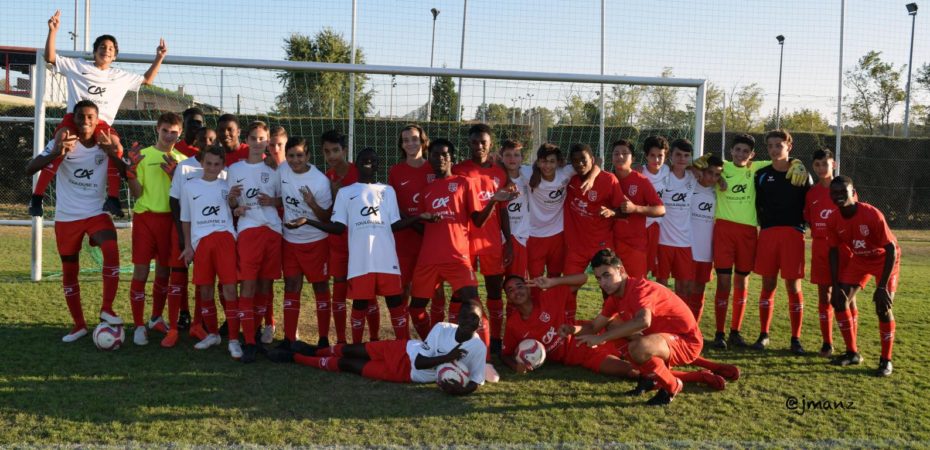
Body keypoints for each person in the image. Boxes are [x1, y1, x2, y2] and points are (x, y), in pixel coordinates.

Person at [31, 10, 167, 218]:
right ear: (95, 51)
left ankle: (112, 198)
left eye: (111, 48)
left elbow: (147, 80)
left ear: (115, 55)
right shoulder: (78, 66)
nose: (106, 50)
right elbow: (49, 57)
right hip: (75, 120)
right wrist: (53, 31)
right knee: (61, 144)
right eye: (102, 47)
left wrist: (159, 57)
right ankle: (37, 197)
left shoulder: (120, 76)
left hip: (101, 124)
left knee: (116, 147)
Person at [502, 275, 734, 391]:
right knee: (635, 372)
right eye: (510, 290)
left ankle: (712, 365)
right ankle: (699, 376)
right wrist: (516, 366)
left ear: (529, 288)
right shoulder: (513, 325)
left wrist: (552, 281)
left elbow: (582, 278)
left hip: (587, 331)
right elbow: (505, 354)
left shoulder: (548, 296)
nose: (516, 292)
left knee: (634, 340)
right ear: (508, 298)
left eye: (520, 286)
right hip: (582, 355)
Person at [292, 148, 428, 342]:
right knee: (360, 304)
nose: (369, 162)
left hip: (386, 260)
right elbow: (338, 227)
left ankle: (403, 346)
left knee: (395, 302)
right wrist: (308, 221)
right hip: (360, 261)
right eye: (364, 159)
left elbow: (395, 225)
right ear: (356, 163)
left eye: (373, 159)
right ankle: (355, 346)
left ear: (378, 165)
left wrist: (418, 217)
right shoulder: (346, 193)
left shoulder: (387, 191)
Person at [25, 100, 124, 342]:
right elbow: (30, 168)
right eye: (81, 117)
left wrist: (113, 153)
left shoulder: (105, 141)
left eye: (90, 117)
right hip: (67, 217)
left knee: (111, 249)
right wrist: (56, 152)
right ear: (74, 119)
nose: (86, 121)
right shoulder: (64, 140)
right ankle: (79, 325)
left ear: (98, 120)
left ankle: (107, 308)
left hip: (96, 212)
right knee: (70, 271)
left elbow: (124, 170)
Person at [408, 138, 515, 342]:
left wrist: (493, 201)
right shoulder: (426, 191)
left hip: (457, 257)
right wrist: (414, 219)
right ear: (429, 158)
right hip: (428, 260)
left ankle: (484, 354)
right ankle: (432, 345)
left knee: (473, 304)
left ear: (452, 158)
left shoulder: (464, 183)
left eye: (444, 154)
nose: (440, 158)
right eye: (435, 155)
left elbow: (478, 221)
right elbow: (422, 227)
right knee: (416, 309)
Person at [571, 249, 705, 406]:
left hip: (687, 341)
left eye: (607, 275)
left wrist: (601, 338)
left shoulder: (639, 289)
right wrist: (570, 329)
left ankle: (672, 385)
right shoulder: (615, 297)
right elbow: (595, 326)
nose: (603, 283)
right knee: (612, 326)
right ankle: (648, 378)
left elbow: (643, 321)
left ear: (621, 270)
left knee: (639, 347)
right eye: (599, 278)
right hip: (662, 339)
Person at [267, 303, 487, 395]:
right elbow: (420, 360)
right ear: (457, 317)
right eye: (465, 316)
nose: (469, 321)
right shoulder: (441, 328)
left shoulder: (477, 347)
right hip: (403, 349)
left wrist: (459, 391)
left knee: (348, 365)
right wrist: (448, 357)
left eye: (474, 319)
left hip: (405, 374)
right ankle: (312, 350)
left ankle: (295, 358)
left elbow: (475, 381)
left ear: (480, 323)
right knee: (352, 349)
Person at [125, 112, 187, 346]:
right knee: (141, 272)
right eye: (165, 131)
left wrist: (175, 177)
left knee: (164, 272)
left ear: (180, 133)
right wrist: (130, 173)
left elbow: (184, 197)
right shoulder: (143, 156)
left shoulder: (183, 161)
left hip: (170, 221)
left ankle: (155, 318)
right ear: (157, 130)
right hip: (145, 219)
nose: (169, 135)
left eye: (174, 132)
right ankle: (139, 326)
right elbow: (137, 193)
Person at [827, 176, 899, 377]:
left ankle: (886, 360)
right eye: (834, 193)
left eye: (843, 192)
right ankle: (852, 353)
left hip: (884, 259)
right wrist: (835, 286)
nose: (838, 196)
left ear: (853, 192)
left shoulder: (871, 214)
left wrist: (882, 286)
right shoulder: (833, 219)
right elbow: (833, 252)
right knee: (840, 301)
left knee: (883, 308)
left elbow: (891, 249)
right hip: (860, 260)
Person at [452, 123, 512, 354]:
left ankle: (495, 338)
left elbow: (503, 211)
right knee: (460, 293)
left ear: (490, 144)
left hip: (491, 242)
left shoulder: (500, 172)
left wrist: (508, 241)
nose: (479, 146)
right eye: (475, 141)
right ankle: (457, 335)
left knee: (494, 291)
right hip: (464, 241)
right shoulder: (458, 170)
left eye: (483, 142)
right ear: (469, 143)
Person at [227, 121, 282, 363]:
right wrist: (234, 204)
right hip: (249, 231)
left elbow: (283, 199)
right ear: (246, 141)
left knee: (265, 287)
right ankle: (248, 341)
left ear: (268, 141)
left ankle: (257, 336)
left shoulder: (276, 168)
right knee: (248, 286)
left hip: (273, 231)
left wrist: (273, 201)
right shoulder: (235, 169)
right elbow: (231, 202)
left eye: (262, 139)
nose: (258, 143)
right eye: (253, 138)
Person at [751, 129, 812, 354]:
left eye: (779, 145)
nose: (774, 149)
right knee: (768, 284)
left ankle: (796, 339)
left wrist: (799, 164)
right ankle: (764, 334)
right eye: (770, 146)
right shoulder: (761, 174)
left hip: (793, 234)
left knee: (793, 286)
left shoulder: (801, 174)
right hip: (768, 233)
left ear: (789, 146)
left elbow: (810, 203)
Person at [179, 147, 240, 358]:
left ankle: (234, 339)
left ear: (223, 165)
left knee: (229, 289)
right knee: (205, 290)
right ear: (202, 163)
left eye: (217, 164)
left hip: (224, 239)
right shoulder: (189, 186)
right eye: (209, 163)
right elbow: (186, 219)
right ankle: (213, 334)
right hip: (201, 243)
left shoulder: (227, 186)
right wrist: (188, 246)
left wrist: (234, 203)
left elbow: (234, 206)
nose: (212, 168)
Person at [709, 134, 768, 350]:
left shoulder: (756, 167)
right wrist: (718, 178)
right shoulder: (721, 166)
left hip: (748, 232)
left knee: (742, 282)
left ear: (752, 155)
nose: (741, 154)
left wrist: (797, 163)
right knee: (723, 282)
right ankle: (719, 333)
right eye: (738, 150)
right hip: (724, 230)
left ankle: (735, 331)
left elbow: (783, 159)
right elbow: (697, 163)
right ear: (731, 151)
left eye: (746, 151)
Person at [388, 124, 447, 326]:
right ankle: (403, 336)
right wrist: (413, 222)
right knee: (402, 289)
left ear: (423, 141)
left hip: (431, 239)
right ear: (401, 145)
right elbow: (393, 205)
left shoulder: (434, 168)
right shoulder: (396, 171)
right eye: (405, 140)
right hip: (405, 238)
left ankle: (438, 332)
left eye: (414, 139)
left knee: (437, 289)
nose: (410, 143)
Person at [277, 138, 333, 351]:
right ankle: (289, 338)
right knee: (291, 286)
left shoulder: (320, 181)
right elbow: (280, 197)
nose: (295, 160)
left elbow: (326, 217)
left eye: (300, 155)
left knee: (320, 287)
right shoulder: (283, 169)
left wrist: (312, 204)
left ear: (308, 156)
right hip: (290, 240)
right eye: (291, 155)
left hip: (316, 241)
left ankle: (323, 339)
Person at [168, 128, 219, 342]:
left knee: (202, 279)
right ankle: (172, 328)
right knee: (177, 276)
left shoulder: (220, 168)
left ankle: (197, 325)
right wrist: (182, 235)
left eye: (211, 139)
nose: (207, 143)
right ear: (195, 142)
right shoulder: (184, 166)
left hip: (206, 232)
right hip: (183, 229)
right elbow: (174, 200)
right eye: (203, 139)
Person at [563, 143, 625, 320]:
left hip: (601, 244)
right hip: (576, 246)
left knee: (610, 287)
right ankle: (568, 325)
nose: (579, 164)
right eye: (575, 160)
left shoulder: (608, 180)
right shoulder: (569, 179)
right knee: (568, 290)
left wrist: (612, 212)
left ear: (592, 159)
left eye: (583, 159)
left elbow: (624, 211)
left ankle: (613, 325)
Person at [804, 149, 850, 357]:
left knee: (847, 296)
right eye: (817, 164)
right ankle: (827, 343)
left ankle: (851, 346)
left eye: (825, 163)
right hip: (821, 248)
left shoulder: (844, 189)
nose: (821, 168)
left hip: (843, 248)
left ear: (834, 164)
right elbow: (809, 218)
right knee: (824, 295)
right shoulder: (811, 193)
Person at [610, 139, 665, 279]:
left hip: (634, 245)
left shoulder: (641, 180)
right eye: (616, 153)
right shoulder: (606, 179)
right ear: (611, 157)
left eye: (625, 153)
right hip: (610, 244)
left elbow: (661, 210)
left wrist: (635, 208)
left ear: (633, 159)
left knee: (637, 286)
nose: (620, 156)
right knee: (610, 287)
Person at [321, 130, 355, 346]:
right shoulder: (326, 178)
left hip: (359, 241)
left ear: (344, 150)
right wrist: (334, 195)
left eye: (335, 150)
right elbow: (328, 214)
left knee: (364, 291)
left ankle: (370, 339)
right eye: (327, 151)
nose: (331, 155)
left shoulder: (359, 172)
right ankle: (341, 339)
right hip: (338, 241)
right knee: (339, 287)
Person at [687, 154, 724, 323]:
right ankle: (681, 325)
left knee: (699, 290)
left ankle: (693, 327)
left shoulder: (718, 192)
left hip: (706, 251)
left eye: (717, 175)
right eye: (710, 172)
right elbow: (675, 169)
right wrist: (692, 167)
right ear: (702, 171)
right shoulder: (690, 184)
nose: (713, 178)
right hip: (687, 247)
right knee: (686, 288)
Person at [639, 136, 671, 278]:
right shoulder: (639, 173)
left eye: (660, 156)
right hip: (642, 226)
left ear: (665, 156)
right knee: (641, 268)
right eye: (652, 155)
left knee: (660, 271)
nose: (656, 160)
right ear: (646, 155)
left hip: (661, 227)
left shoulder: (667, 170)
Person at [500, 140, 530, 279]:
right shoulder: (496, 178)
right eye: (508, 155)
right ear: (501, 157)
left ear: (522, 158)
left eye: (516, 155)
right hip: (498, 237)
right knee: (495, 282)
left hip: (519, 236)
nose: (512, 158)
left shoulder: (528, 177)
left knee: (517, 281)